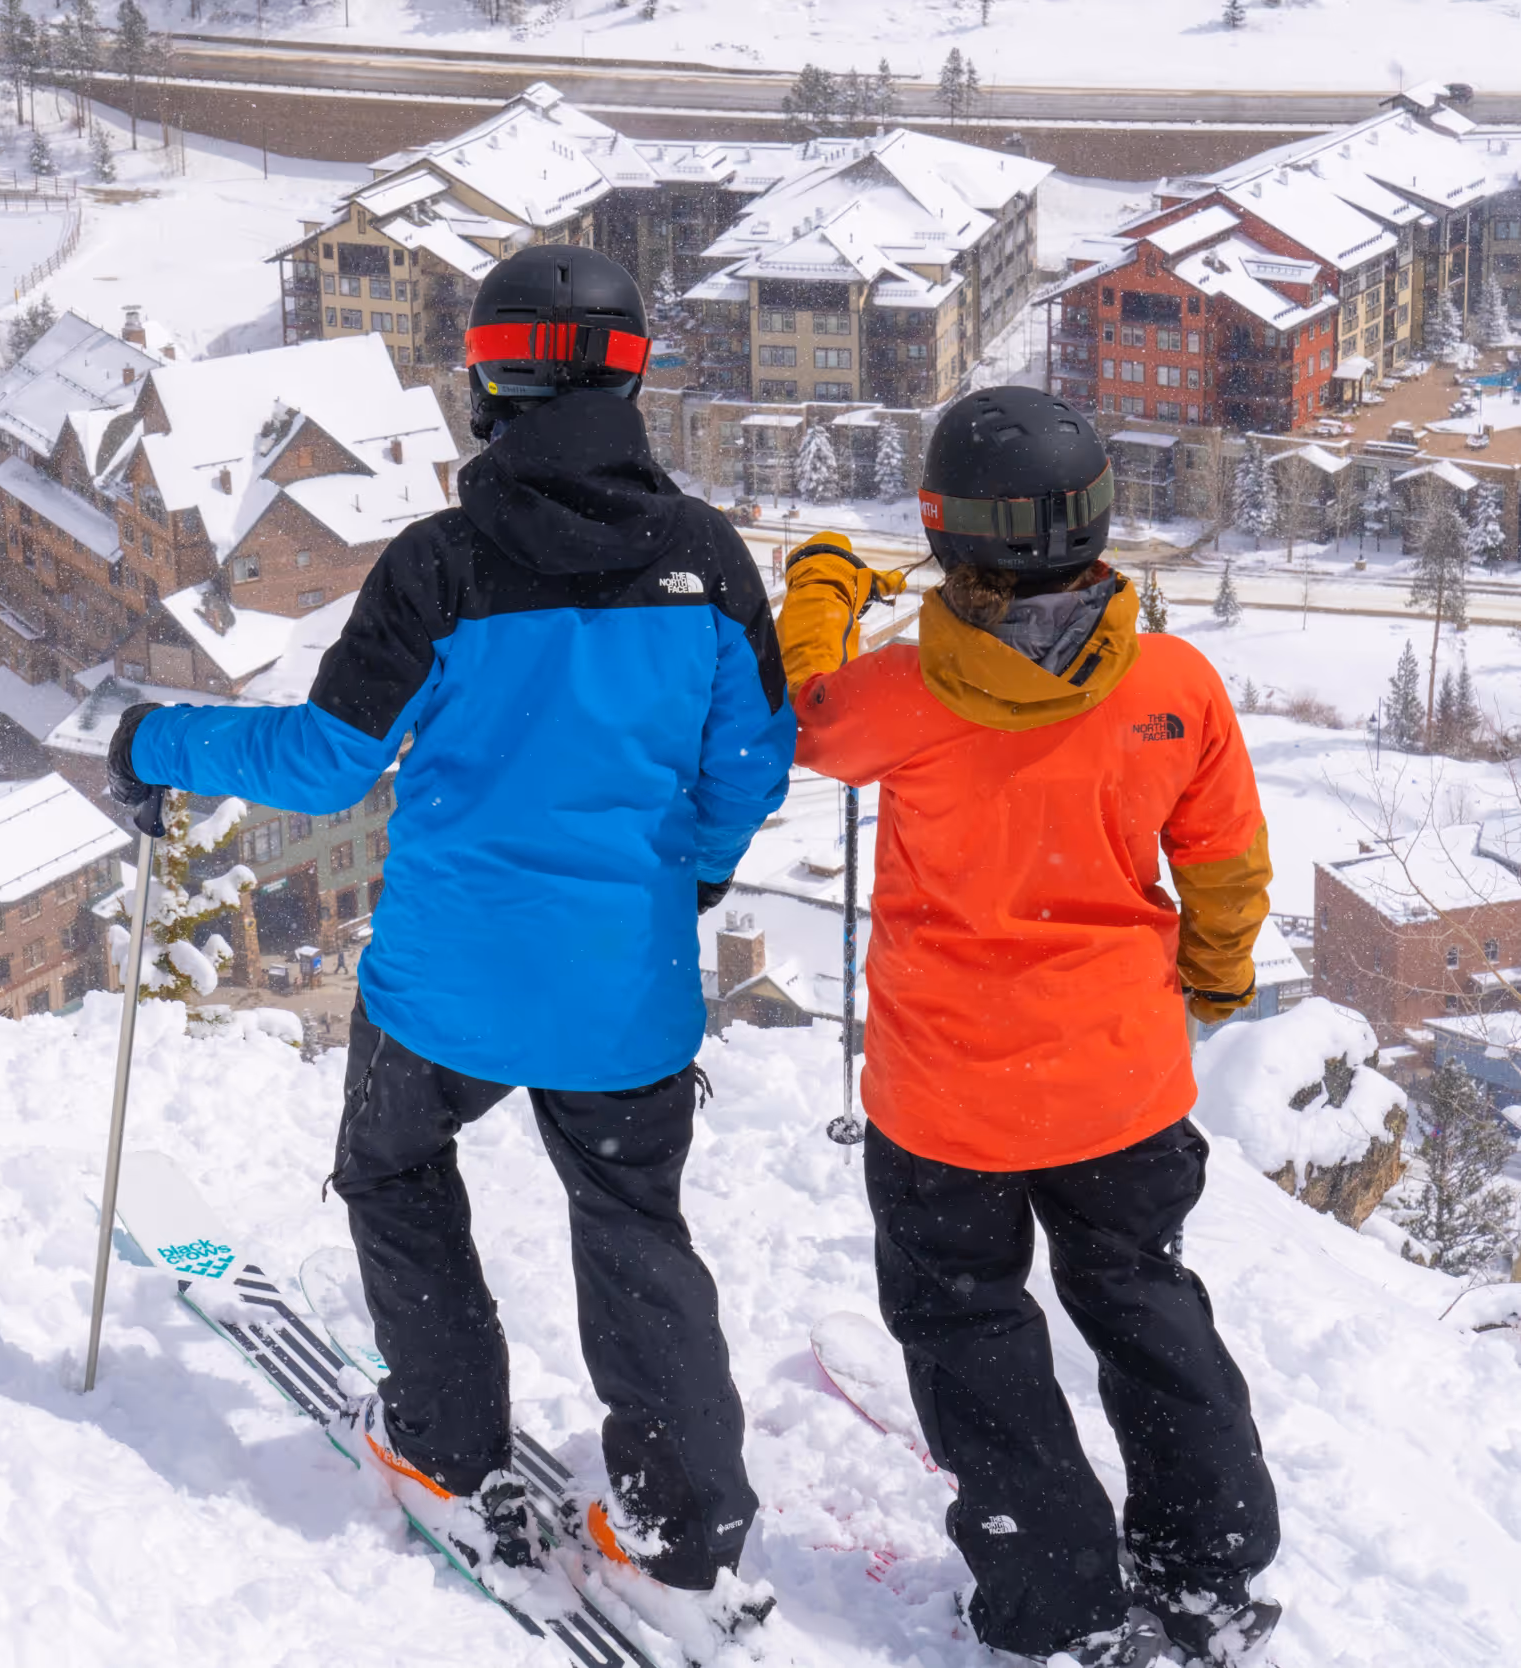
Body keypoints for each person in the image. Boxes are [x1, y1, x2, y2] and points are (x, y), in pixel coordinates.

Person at [106, 246, 793, 1611]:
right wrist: (690, 880)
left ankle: (443, 1444)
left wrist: (153, 740)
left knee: (396, 1174)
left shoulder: (445, 566)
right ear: (632, 370)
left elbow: (323, 763)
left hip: (449, 983)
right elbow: (753, 763)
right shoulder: (707, 564)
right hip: (626, 987)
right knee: (632, 1226)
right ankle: (686, 1532)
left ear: (488, 378)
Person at [776, 386, 1281, 1668]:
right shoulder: (1172, 686)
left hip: (946, 1103)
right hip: (1119, 1088)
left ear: (948, 534)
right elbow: (1222, 869)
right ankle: (1207, 1569)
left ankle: (1051, 1603)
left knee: (966, 1328)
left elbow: (801, 705)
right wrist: (1212, 985)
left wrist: (827, 581)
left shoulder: (898, 699)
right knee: (1144, 1304)